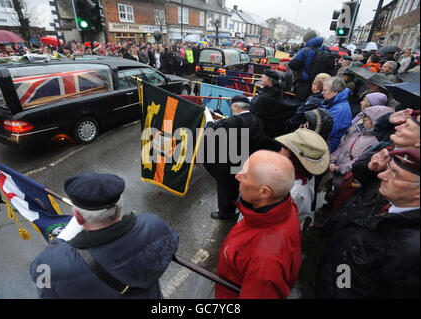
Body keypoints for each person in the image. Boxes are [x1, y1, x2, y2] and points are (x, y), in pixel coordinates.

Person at [30, 171, 179, 298]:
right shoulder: (154, 226)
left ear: (78, 217)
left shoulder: (52, 264)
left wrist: (61, 240)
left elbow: (41, 279)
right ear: (119, 207)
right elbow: (172, 244)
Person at [316, 148, 420, 299]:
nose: (382, 176)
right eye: (389, 168)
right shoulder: (392, 198)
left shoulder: (411, 250)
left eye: (395, 174)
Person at [215, 150, 302, 299]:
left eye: (246, 175)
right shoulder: (286, 207)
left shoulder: (265, 265)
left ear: (264, 193)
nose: (237, 176)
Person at [202, 95, 275, 220]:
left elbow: (211, 131)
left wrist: (208, 117)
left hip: (229, 162)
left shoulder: (232, 122)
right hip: (248, 161)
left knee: (224, 186)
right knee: (236, 185)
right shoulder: (256, 119)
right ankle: (232, 207)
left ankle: (224, 213)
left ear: (235, 107)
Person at [329, 106, 394, 189]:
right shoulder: (357, 132)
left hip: (348, 178)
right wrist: (332, 160)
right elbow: (341, 146)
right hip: (335, 171)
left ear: (375, 122)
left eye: (367, 118)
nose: (364, 119)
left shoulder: (375, 142)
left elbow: (360, 159)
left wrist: (340, 169)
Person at [276, 128, 330, 227]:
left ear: (294, 158)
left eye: (284, 147)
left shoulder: (295, 192)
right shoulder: (302, 174)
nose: (280, 150)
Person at [250, 69, 298, 139]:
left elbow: (254, 107)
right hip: (275, 131)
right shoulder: (278, 92)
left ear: (270, 82)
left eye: (263, 78)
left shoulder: (265, 98)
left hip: (264, 131)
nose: (261, 79)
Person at [288, 30, 333, 102]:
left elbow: (292, 64)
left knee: (299, 105)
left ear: (306, 40)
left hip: (304, 85)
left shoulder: (305, 51)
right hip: (319, 85)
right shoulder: (325, 49)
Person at [319, 76, 352, 153]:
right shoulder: (332, 101)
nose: (322, 93)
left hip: (327, 146)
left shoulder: (340, 110)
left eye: (325, 90)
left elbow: (328, 131)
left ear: (335, 92)